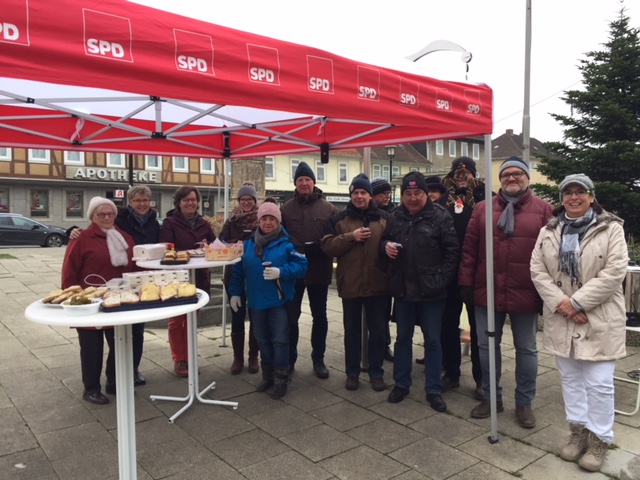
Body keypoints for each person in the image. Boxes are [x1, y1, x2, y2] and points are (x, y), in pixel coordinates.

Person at [531, 174, 628, 472]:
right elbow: (538, 270)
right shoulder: (549, 231)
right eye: (568, 193)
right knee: (571, 381)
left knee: (599, 384)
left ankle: (600, 440)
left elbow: (614, 273)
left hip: (599, 318)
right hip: (562, 319)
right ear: (561, 199)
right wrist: (564, 305)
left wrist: (576, 303)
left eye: (580, 192)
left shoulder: (611, 228)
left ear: (591, 196)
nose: (574, 197)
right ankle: (578, 432)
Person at [459, 156, 554, 428]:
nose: (511, 178)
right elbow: (469, 251)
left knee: (527, 348)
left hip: (526, 291)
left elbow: (552, 256)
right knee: (486, 346)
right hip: (487, 290)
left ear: (527, 177)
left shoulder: (545, 211)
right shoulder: (482, 209)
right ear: (499, 179)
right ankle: (491, 397)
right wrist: (466, 283)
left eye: (517, 174)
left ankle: (524, 402)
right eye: (506, 175)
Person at [382, 172, 459, 412]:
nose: (413, 198)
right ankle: (401, 384)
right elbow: (383, 241)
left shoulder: (441, 217)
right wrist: (385, 247)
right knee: (403, 338)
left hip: (432, 292)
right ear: (402, 195)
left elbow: (452, 253)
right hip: (404, 290)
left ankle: (433, 389)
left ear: (426, 194)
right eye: (408, 193)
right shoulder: (395, 217)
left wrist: (440, 281)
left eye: (418, 193)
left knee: (433, 341)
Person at [229, 200, 307, 399]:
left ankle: (282, 378)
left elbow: (302, 266)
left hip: (279, 302)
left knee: (280, 341)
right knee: (262, 340)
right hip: (255, 302)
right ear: (259, 221)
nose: (268, 222)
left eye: (272, 218)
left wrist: (282, 271)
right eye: (264, 218)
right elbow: (237, 271)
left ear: (278, 221)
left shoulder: (287, 243)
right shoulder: (247, 245)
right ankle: (268, 375)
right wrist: (235, 292)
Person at [61, 197, 135, 405]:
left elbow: (134, 268)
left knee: (119, 343)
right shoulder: (81, 238)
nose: (106, 217)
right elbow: (69, 270)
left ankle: (114, 382)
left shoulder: (125, 237)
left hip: (118, 299)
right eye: (101, 214)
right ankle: (91, 388)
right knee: (92, 347)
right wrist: (73, 299)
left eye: (110, 214)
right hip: (89, 301)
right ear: (92, 216)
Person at [321, 174, 390, 392]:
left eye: (363, 192)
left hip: (378, 283)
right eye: (355, 193)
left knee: (378, 332)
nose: (359, 196)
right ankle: (352, 373)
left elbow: (390, 242)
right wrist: (351, 236)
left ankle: (376, 373)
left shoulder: (385, 218)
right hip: (350, 283)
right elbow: (328, 247)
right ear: (351, 195)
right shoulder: (338, 220)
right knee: (351, 331)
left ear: (370, 195)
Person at [280, 161, 337, 378]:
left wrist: (320, 246)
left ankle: (318, 358)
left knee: (320, 316)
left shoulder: (329, 208)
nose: (304, 183)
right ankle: (290, 358)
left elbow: (334, 237)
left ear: (314, 182)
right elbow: (281, 238)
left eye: (308, 180)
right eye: (300, 180)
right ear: (295, 183)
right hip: (294, 272)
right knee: (291, 317)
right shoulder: (286, 209)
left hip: (319, 270)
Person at [437, 158, 487, 401]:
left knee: (478, 328)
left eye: (466, 172)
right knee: (447, 324)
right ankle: (452, 373)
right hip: (448, 270)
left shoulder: (483, 195)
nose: (462, 176)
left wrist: (482, 196)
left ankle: (481, 378)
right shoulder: (443, 194)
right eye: (458, 171)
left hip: (475, 272)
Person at [159, 186, 216, 377]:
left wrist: (209, 247)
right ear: (179, 202)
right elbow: (166, 249)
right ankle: (180, 359)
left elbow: (215, 246)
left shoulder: (203, 223)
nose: (191, 203)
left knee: (191, 319)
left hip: (199, 277)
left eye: (193, 199)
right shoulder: (170, 222)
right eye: (186, 200)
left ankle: (190, 355)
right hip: (177, 278)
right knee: (177, 320)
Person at [114, 185, 161, 386]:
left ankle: (134, 368)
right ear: (130, 202)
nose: (142, 204)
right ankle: (116, 371)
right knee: (119, 329)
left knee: (138, 329)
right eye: (137, 201)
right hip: (124, 277)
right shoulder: (120, 221)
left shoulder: (155, 224)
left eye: (145, 200)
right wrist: (74, 230)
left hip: (145, 280)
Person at [219, 181, 260, 375]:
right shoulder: (232, 221)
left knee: (256, 315)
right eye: (243, 199)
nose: (246, 202)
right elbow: (220, 243)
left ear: (254, 201)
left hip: (255, 273)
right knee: (236, 315)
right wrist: (233, 244)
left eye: (249, 199)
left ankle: (253, 357)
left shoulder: (262, 220)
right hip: (233, 273)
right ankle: (238, 358)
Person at [371, 176, 395, 362]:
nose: (387, 196)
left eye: (388, 193)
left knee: (384, 313)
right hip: (368, 269)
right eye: (383, 193)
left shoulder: (393, 214)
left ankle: (384, 344)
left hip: (386, 271)